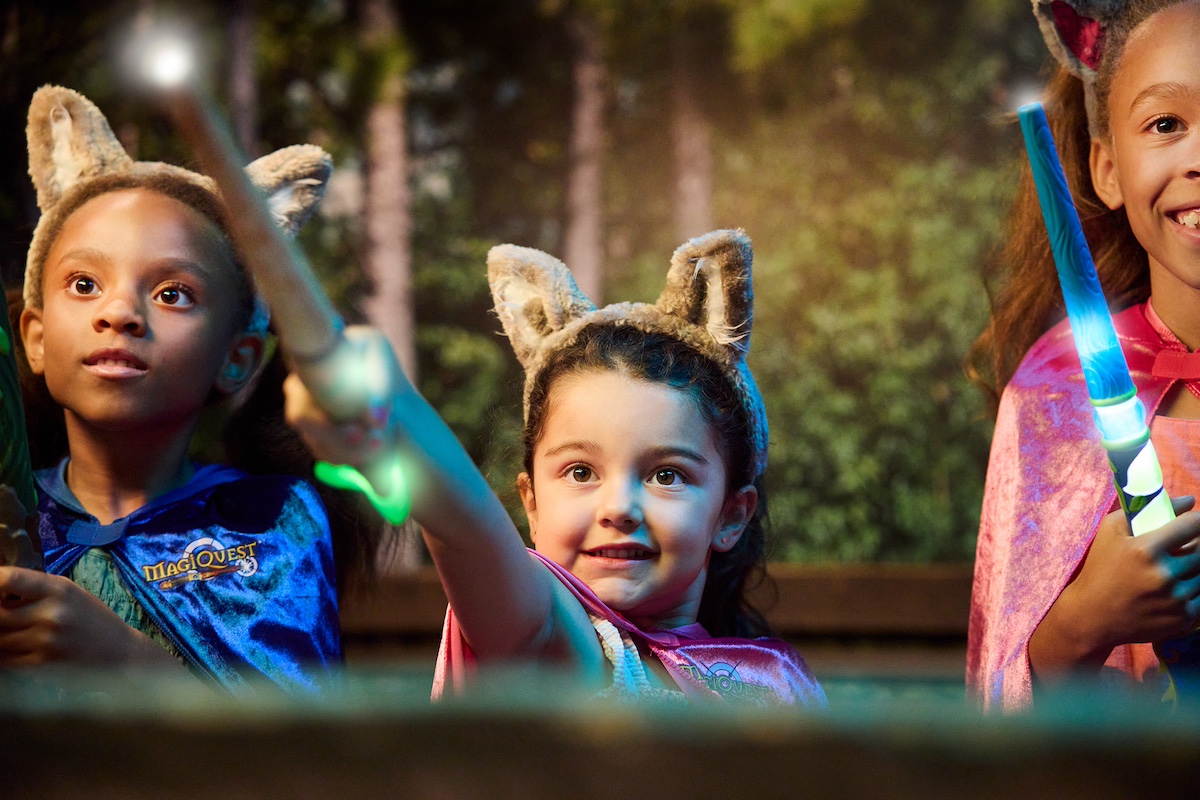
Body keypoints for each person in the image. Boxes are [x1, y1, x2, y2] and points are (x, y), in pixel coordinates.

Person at [285, 230, 826, 705]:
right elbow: (465, 525)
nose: (618, 508)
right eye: (580, 472)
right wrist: (391, 409)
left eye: (667, 475)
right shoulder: (558, 647)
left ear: (732, 515)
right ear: (531, 503)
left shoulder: (775, 680)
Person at [0, 85, 361, 695]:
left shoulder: (270, 525)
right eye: (84, 283)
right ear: (34, 338)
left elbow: (302, 765)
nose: (119, 312)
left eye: (173, 294)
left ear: (236, 357)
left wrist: (124, 661)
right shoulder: (9, 514)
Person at [968, 0, 1200, 711]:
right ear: (1106, 168)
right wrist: (1083, 622)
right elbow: (998, 706)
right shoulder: (1056, 394)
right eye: (1166, 124)